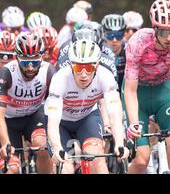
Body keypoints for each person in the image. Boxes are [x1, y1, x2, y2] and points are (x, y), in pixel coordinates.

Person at [123, 0, 170, 174]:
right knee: (142, 158)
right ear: (155, 29)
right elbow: (130, 90)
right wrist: (134, 124)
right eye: (165, 32)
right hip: (138, 92)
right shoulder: (139, 42)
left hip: (164, 89)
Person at [45, 39, 128, 174]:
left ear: (97, 65)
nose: (83, 74)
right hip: (61, 123)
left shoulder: (105, 76)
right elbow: (53, 123)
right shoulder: (60, 79)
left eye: (89, 68)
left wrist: (119, 143)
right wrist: (57, 148)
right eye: (78, 68)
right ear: (71, 66)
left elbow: (115, 115)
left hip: (87, 118)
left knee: (96, 158)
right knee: (65, 168)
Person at [0, 33, 56, 174]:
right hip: (9, 121)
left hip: (34, 115)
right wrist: (5, 142)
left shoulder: (49, 71)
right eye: (25, 62)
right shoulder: (6, 73)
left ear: (42, 58)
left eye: (35, 62)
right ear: (17, 58)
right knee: (12, 167)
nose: (30, 68)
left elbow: (55, 107)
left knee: (43, 147)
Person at [102, 14, 127, 89]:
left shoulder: (129, 51)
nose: (114, 40)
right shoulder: (98, 51)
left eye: (119, 36)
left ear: (124, 35)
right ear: (104, 35)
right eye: (110, 35)